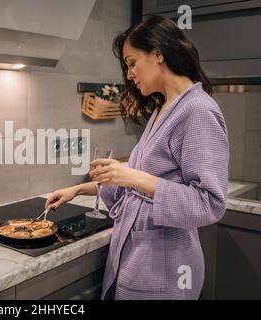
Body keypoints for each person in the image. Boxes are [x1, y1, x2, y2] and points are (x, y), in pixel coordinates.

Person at [45, 16, 229, 300]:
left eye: (131, 62)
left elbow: (210, 204)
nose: (129, 74)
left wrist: (132, 175)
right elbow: (140, 184)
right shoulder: (163, 108)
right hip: (142, 262)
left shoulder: (198, 111)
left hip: (165, 272)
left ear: (158, 53)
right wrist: (78, 189)